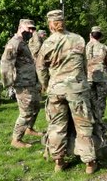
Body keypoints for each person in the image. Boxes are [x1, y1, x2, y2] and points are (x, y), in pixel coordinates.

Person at [36, 10, 97, 174]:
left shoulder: (47, 43)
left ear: (50, 24)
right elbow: (84, 64)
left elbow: (41, 68)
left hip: (56, 89)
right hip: (77, 88)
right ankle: (89, 162)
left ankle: (59, 161)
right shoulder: (78, 39)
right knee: (83, 125)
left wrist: (46, 85)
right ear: (64, 22)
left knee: (56, 126)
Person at [0, 19, 43, 148]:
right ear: (20, 27)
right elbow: (5, 63)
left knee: (35, 107)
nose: (30, 31)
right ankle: (16, 139)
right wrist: (8, 84)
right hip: (22, 84)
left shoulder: (23, 43)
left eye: (32, 29)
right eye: (28, 28)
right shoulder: (14, 43)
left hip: (31, 82)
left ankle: (29, 129)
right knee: (26, 112)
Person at [86, 26, 107, 123]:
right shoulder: (104, 47)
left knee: (90, 98)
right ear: (100, 36)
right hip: (101, 76)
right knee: (101, 98)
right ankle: (99, 118)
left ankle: (91, 118)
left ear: (91, 35)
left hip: (88, 76)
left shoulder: (85, 47)